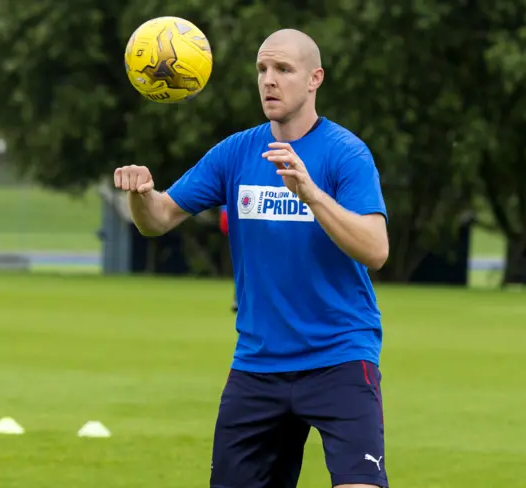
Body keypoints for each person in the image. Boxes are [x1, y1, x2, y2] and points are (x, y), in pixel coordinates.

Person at [114, 28, 390, 488]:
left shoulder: (346, 154)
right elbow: (158, 220)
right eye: (262, 69)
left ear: (314, 79)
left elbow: (376, 249)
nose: (269, 80)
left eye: (283, 69)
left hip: (339, 357)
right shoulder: (237, 152)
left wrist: (310, 193)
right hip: (258, 366)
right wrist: (142, 194)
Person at [218, 205, 238, 312]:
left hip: (230, 219)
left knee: (243, 267)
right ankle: (237, 299)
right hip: (233, 218)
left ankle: (237, 300)